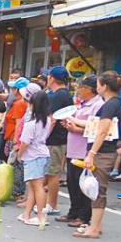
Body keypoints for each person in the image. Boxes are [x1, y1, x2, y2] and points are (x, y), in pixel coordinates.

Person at [77, 71, 121, 239]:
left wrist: (92, 153)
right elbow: (95, 126)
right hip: (104, 150)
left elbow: (102, 131)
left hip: (103, 152)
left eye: (98, 84)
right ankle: (95, 225)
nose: (96, 87)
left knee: (97, 190)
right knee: (96, 189)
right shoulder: (111, 103)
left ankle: (94, 228)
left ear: (104, 86)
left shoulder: (111, 105)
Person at [60, 75, 102, 229]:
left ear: (90, 90)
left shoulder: (97, 105)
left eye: (81, 88)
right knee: (72, 183)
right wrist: (69, 125)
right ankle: (73, 212)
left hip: (84, 150)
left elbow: (96, 128)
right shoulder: (83, 104)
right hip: (73, 149)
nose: (78, 91)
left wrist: (75, 129)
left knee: (83, 184)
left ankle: (84, 216)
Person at [16, 90, 52, 229]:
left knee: (37, 187)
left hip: (33, 156)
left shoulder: (31, 123)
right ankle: (26, 214)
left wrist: (19, 155)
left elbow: (25, 142)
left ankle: (40, 216)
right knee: (33, 187)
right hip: (42, 153)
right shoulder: (47, 120)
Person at [43, 66, 73, 216]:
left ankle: (52, 204)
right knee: (50, 171)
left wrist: (43, 137)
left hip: (54, 139)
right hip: (61, 138)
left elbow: (52, 119)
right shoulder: (66, 94)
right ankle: (42, 201)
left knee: (53, 173)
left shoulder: (56, 96)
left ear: (52, 78)